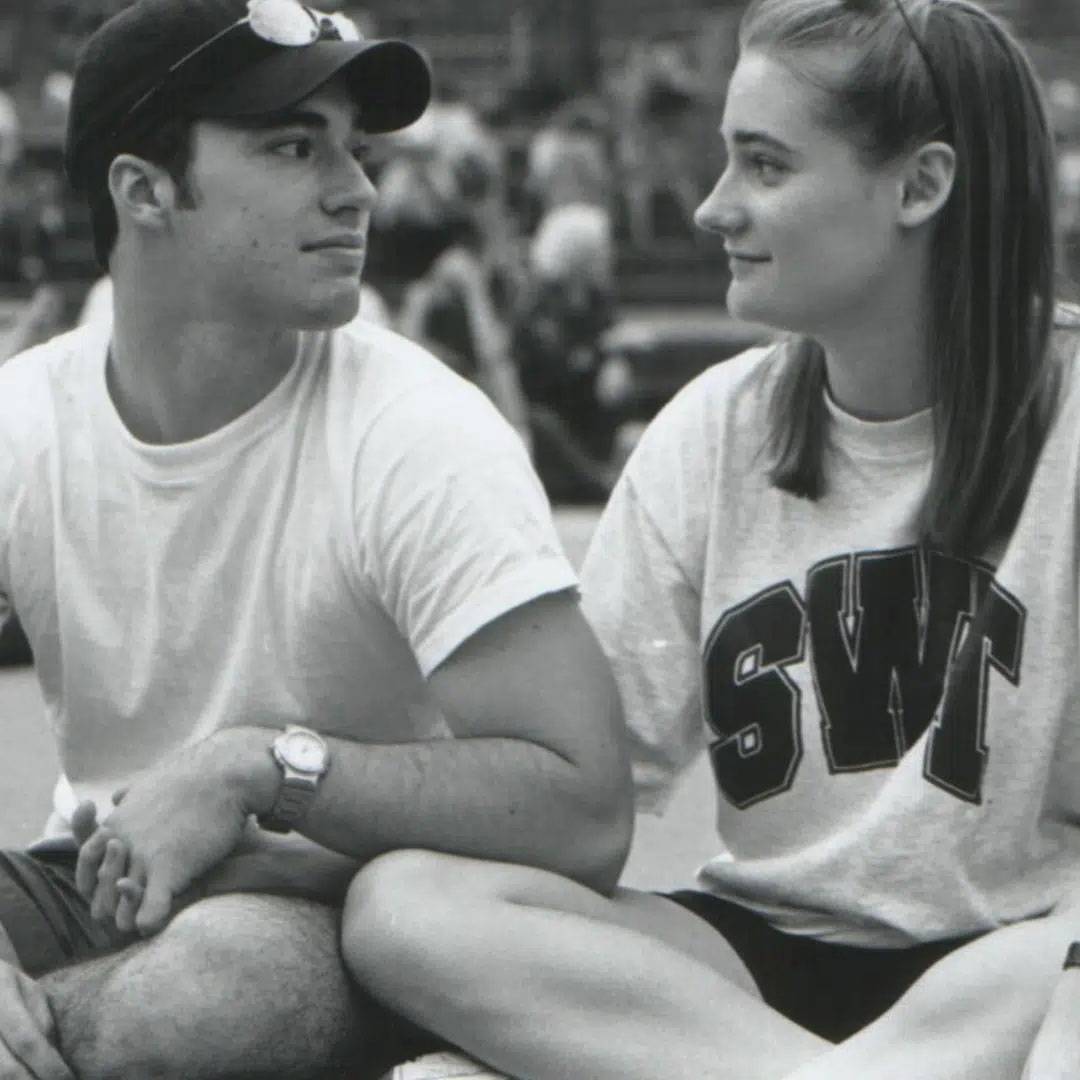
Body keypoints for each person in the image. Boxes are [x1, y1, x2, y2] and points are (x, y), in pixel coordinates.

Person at [336, 1, 1080, 1077]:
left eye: (765, 167)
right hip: (757, 964)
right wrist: (292, 789)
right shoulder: (714, 429)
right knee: (403, 905)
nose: (710, 208)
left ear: (921, 187)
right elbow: (579, 792)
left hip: (1016, 956)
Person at [0, 1, 631, 1078]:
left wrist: (263, 769)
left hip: (335, 897)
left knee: (212, 1001)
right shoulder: (25, 423)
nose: (358, 189)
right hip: (95, 871)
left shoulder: (412, 428)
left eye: (354, 147)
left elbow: (583, 809)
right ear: (145, 191)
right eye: (296, 147)